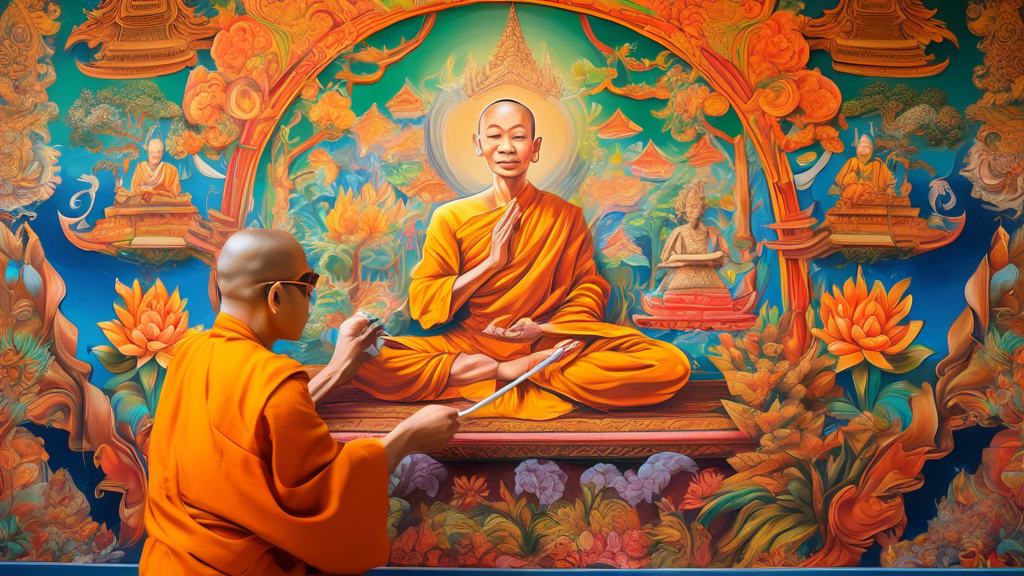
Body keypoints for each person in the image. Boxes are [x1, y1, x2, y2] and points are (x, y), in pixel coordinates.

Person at [140, 228, 460, 575]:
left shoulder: (188, 353)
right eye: (308, 286)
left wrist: (337, 369)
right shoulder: (276, 378)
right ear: (276, 296)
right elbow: (319, 497)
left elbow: (250, 426)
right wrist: (407, 436)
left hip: (164, 563)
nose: (311, 299)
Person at [352, 99, 690, 420]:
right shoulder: (450, 216)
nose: (507, 147)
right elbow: (425, 305)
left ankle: (522, 371)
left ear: (535, 146)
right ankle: (506, 373)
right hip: (472, 342)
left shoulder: (565, 216)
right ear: (478, 144)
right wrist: (490, 265)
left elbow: (586, 289)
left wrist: (541, 328)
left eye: (518, 136)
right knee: (367, 358)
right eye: (495, 136)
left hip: (544, 344)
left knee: (669, 364)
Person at [116, 139, 187, 204]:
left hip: (162, 203)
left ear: (162, 153)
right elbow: (134, 189)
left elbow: (173, 193)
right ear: (148, 152)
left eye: (158, 152)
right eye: (152, 152)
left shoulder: (171, 170)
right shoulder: (140, 167)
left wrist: (154, 192)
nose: (155, 155)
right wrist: (146, 192)